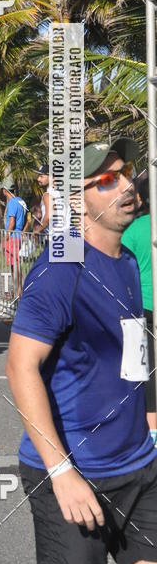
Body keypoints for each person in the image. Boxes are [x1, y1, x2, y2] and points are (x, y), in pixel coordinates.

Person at [6, 137, 157, 564]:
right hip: (74, 471)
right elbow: (19, 367)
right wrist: (62, 473)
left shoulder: (129, 261)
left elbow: (132, 356)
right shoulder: (60, 268)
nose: (127, 185)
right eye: (108, 180)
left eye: (126, 172)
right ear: (77, 200)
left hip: (138, 466)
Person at [122, 176, 156, 440]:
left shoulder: (133, 229)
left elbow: (123, 268)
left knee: (146, 372)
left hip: (141, 308)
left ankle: (151, 432)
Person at [1, 177, 29, 299]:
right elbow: (29, 219)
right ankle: (16, 290)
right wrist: (23, 231)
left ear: (5, 190)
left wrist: (6, 235)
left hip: (12, 237)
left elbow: (11, 222)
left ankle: (18, 292)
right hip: (18, 236)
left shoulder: (12, 202)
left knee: (15, 265)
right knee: (15, 265)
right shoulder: (21, 201)